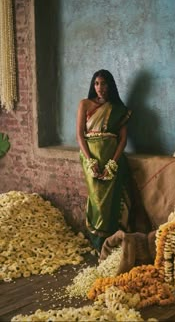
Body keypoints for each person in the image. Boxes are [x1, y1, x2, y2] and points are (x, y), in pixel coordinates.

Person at [76, 69, 133, 253]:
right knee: (97, 200)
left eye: (104, 83)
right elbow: (79, 135)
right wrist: (90, 160)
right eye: (97, 83)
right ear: (93, 86)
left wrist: (112, 164)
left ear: (111, 86)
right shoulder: (85, 104)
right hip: (90, 157)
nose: (100, 88)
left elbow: (123, 139)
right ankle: (97, 244)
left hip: (111, 159)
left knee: (111, 202)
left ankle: (109, 243)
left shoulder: (118, 109)